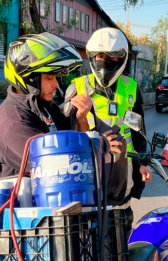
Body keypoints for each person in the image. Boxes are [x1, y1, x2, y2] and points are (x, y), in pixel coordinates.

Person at [0, 32, 126, 192]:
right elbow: (54, 164)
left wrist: (80, 118)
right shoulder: (13, 120)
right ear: (29, 78)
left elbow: (69, 136)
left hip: (53, 201)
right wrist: (98, 145)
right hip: (26, 208)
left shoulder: (44, 107)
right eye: (50, 78)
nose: (56, 85)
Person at [64, 27, 152, 237]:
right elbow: (66, 137)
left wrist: (142, 163)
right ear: (92, 57)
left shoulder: (131, 88)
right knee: (89, 231)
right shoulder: (77, 88)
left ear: (121, 58)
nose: (105, 61)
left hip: (123, 171)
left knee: (121, 227)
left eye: (112, 56)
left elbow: (138, 130)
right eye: (100, 56)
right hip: (88, 171)